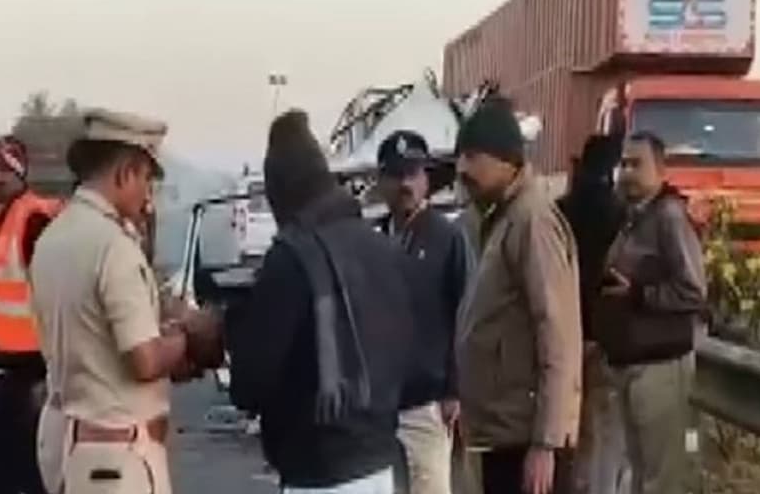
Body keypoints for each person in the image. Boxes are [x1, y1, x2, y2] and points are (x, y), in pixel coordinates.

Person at [226, 109, 417, 494]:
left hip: (321, 472)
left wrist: (230, 327)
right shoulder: (384, 250)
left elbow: (249, 385)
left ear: (281, 193)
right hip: (384, 466)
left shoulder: (292, 258)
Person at [30, 109, 215, 494]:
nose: (148, 194)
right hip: (114, 461)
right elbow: (143, 359)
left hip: (66, 444)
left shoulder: (51, 239)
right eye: (146, 179)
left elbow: (91, 337)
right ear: (124, 173)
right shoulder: (113, 247)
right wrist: (189, 336)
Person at [453, 97, 581, 494]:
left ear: (506, 160)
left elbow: (557, 333)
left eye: (472, 157)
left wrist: (546, 442)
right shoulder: (501, 218)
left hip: (527, 439)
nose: (461, 170)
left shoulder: (532, 221)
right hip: (504, 433)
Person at [597, 132, 705, 494]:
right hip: (631, 363)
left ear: (660, 170)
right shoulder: (632, 217)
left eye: (636, 165)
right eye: (623, 164)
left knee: (660, 478)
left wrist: (641, 294)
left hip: (660, 366)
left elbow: (693, 291)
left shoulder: (669, 216)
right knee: (640, 474)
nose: (627, 172)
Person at [374, 130, 474, 494]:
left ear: (426, 179)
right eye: (396, 174)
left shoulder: (447, 238)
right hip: (379, 404)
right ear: (380, 181)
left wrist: (455, 390)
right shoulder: (372, 240)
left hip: (428, 402)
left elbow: (466, 314)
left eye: (413, 174)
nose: (405, 184)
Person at [0, 135, 62, 494]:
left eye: (5, 170)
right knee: (5, 477)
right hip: (9, 373)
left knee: (30, 478)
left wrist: (49, 376)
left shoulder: (32, 219)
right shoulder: (4, 216)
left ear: (20, 173)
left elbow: (54, 296)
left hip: (32, 375)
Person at [557, 136, 629, 494]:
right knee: (603, 432)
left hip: (562, 335)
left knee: (566, 426)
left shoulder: (559, 211)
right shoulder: (622, 214)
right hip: (602, 337)